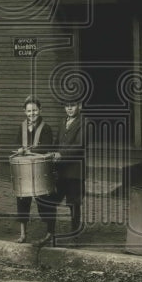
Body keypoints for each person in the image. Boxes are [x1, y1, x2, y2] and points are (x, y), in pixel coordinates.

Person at [10, 95, 55, 245]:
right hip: (24, 171)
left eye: (34, 110)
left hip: (40, 170)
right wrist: (19, 149)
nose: (32, 114)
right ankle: (23, 233)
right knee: (22, 200)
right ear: (24, 112)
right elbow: (15, 144)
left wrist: (27, 150)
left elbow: (47, 146)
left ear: (40, 110)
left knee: (45, 201)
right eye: (29, 111)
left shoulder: (46, 127)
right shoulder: (21, 127)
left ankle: (50, 233)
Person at [50, 101, 85, 246]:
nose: (69, 108)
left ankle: (74, 236)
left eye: (73, 105)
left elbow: (79, 145)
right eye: (67, 105)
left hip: (75, 172)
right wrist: (51, 153)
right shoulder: (62, 121)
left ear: (80, 106)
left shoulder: (84, 122)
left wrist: (60, 154)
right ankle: (50, 234)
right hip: (60, 171)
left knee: (74, 204)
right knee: (51, 201)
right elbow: (56, 142)